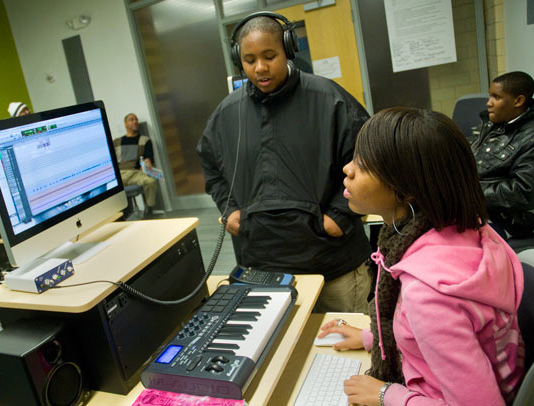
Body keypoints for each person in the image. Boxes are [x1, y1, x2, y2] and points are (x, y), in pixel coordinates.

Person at [318, 108, 524, 405]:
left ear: (406, 190)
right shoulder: (469, 228)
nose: (347, 170)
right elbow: (446, 334)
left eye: (363, 165)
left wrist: (385, 393)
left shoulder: (428, 294)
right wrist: (373, 339)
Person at [197, 12, 372, 313]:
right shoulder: (227, 114)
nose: (261, 68)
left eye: (270, 56)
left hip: (331, 265)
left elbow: (368, 159)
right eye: (250, 60)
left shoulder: (330, 99)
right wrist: (229, 209)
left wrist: (339, 217)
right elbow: (211, 165)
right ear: (240, 60)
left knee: (348, 353)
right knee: (280, 352)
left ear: (288, 50)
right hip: (261, 269)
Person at [472, 71, 534, 239]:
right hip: (479, 208)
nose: (488, 103)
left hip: (510, 222)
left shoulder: (530, 136)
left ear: (519, 101)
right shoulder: (495, 123)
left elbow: (522, 191)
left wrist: (469, 192)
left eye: (496, 97)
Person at [114, 113, 157, 216]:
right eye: (131, 119)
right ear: (125, 124)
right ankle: (119, 214)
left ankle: (149, 208)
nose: (135, 122)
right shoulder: (116, 142)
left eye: (136, 120)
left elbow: (148, 158)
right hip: (121, 174)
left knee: (151, 181)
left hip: (136, 173)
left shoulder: (145, 140)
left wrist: (147, 164)